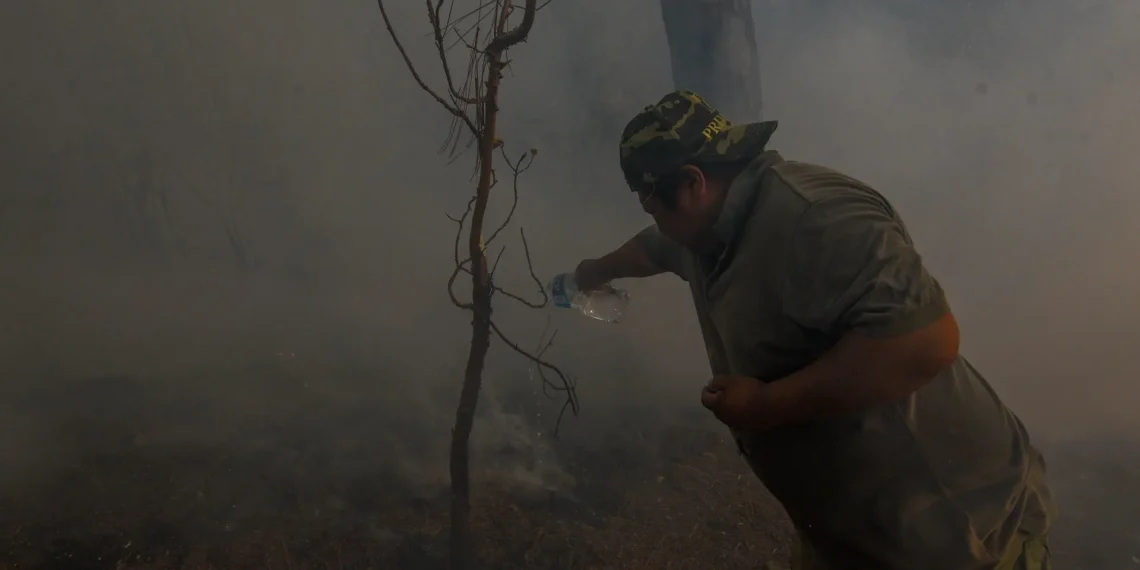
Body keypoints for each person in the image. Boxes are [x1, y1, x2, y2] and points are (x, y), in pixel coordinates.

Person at [574, 90, 1056, 570]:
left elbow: (925, 343)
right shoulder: (707, 225)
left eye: (653, 204)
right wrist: (596, 271)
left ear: (693, 183)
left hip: (954, 531)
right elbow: (656, 246)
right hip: (858, 531)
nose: (654, 219)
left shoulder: (815, 220)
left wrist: (766, 405)